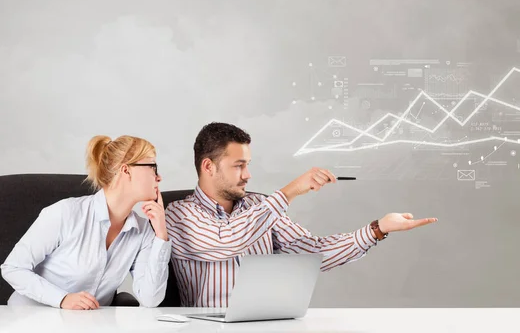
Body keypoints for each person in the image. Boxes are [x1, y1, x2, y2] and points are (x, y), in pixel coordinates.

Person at [165, 122, 438, 307]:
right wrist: (292, 190)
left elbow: (310, 253)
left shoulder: (259, 207)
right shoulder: (179, 214)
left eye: (248, 165)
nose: (248, 175)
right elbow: (227, 240)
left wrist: (378, 229)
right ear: (208, 166)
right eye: (239, 166)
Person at [1, 135, 171, 309]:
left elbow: (151, 300)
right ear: (126, 170)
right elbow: (13, 268)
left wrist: (161, 235)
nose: (159, 177)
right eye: (152, 167)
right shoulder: (66, 213)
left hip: (87, 324)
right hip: (30, 318)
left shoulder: (143, 232)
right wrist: (62, 299)